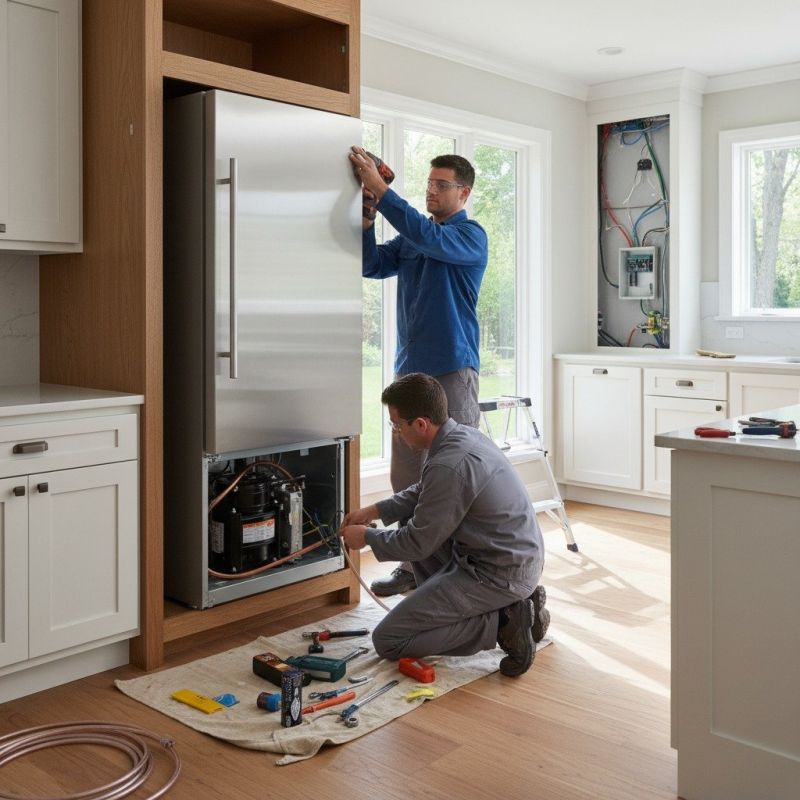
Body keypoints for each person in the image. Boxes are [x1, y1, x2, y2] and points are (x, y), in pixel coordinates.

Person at [340, 373, 549, 677]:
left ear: (420, 424)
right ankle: (517, 607)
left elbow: (416, 543)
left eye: (397, 426)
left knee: (388, 639)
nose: (396, 433)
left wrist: (367, 538)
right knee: (417, 526)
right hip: (515, 559)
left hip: (497, 574)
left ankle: (504, 622)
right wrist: (373, 510)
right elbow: (424, 492)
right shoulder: (463, 437)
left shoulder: (448, 465)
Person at [349, 145, 489, 597]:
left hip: (451, 372)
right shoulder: (415, 237)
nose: (432, 191)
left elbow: (430, 239)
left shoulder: (470, 237)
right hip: (409, 374)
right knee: (407, 476)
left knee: (454, 475)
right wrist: (367, 222)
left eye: (441, 185)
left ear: (463, 193)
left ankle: (460, 570)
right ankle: (413, 569)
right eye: (429, 183)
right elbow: (371, 265)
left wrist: (382, 191)